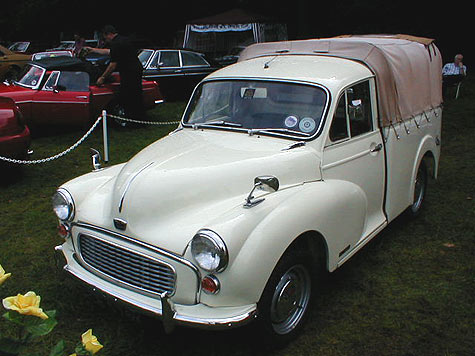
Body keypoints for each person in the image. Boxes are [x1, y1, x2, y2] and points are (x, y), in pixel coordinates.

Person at [86, 25, 144, 121]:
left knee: (130, 95)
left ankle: (133, 119)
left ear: (108, 34)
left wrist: (102, 77)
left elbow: (113, 65)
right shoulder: (122, 40)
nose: (105, 40)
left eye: (105, 37)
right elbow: (110, 52)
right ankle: (138, 118)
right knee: (136, 94)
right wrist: (93, 50)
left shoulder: (116, 43)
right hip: (135, 70)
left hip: (130, 72)